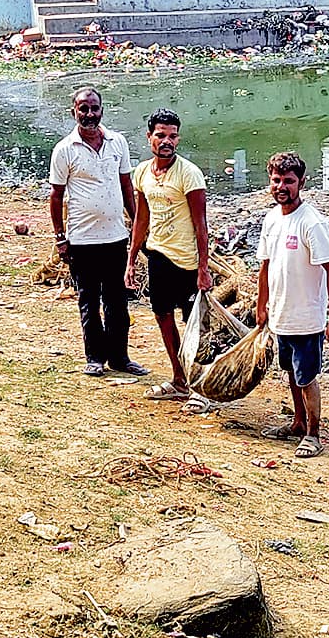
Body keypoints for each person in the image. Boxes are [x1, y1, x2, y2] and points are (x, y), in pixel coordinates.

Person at [48, 87, 147, 378]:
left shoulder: (118, 142)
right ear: (74, 112)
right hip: (81, 240)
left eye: (94, 108)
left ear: (102, 110)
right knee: (89, 302)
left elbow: (126, 186)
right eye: (84, 109)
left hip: (116, 238)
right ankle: (94, 359)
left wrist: (137, 224)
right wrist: (60, 238)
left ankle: (120, 358)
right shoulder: (65, 149)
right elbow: (56, 196)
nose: (89, 114)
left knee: (117, 303)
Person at [254, 152, 329, 459]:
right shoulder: (271, 219)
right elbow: (265, 266)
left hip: (307, 318)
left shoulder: (311, 223)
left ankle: (313, 434)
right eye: (276, 180)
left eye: (289, 181)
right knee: (292, 373)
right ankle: (297, 422)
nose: (282, 187)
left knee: (306, 377)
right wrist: (262, 305)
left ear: (301, 183)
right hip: (281, 315)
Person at [125, 108, 213, 403]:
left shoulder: (189, 173)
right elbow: (141, 219)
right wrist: (131, 260)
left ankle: (200, 388)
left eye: (173, 136)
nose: (167, 141)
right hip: (158, 255)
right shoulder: (142, 172)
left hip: (187, 261)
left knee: (194, 326)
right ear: (149, 136)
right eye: (161, 135)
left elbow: (201, 224)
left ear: (178, 139)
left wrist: (203, 268)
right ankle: (179, 379)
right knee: (162, 316)